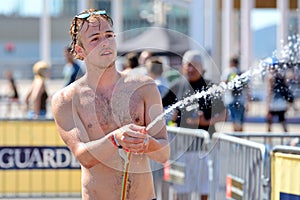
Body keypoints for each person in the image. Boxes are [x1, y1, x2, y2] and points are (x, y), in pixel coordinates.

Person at [51, 9, 169, 200]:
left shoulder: (144, 87)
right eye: (95, 39)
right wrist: (116, 139)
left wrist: (147, 143)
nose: (105, 42)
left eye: (109, 35)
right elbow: (84, 156)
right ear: (80, 51)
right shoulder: (66, 99)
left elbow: (163, 154)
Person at [163, 50, 227, 200]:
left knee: (204, 186)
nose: (191, 69)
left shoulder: (210, 86)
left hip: (205, 147)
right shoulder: (177, 86)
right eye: (188, 66)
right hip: (182, 147)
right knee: (180, 188)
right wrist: (169, 116)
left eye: (194, 66)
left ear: (201, 67)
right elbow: (159, 105)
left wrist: (207, 122)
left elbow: (224, 114)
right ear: (183, 67)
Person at [221, 57, 250, 131]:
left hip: (231, 99)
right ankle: (240, 138)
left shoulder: (228, 72)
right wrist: (248, 101)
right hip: (241, 100)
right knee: (240, 120)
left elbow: (223, 85)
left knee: (234, 120)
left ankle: (235, 137)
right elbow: (247, 88)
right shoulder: (241, 73)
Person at [264, 57, 289, 132]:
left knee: (269, 122)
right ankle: (288, 138)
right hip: (281, 103)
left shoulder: (270, 77)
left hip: (273, 103)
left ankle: (268, 141)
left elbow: (269, 91)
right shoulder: (281, 76)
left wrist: (267, 104)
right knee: (282, 121)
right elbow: (286, 90)